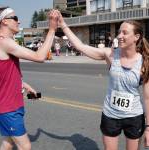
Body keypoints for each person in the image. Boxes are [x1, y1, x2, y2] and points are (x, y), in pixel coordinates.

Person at [55, 10, 149, 150]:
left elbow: (147, 97)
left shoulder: (145, 62)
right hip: (110, 115)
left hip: (134, 117)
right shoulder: (110, 54)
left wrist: (148, 127)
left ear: (136, 36)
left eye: (124, 32)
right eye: (119, 32)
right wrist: (63, 25)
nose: (119, 36)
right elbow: (81, 47)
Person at [0, 7, 58, 150]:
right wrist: (52, 29)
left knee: (7, 143)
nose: (19, 21)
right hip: (8, 109)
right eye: (15, 18)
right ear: (4, 21)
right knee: (25, 146)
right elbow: (40, 56)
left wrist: (23, 84)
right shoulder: (4, 42)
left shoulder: (5, 42)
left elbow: (5, 75)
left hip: (13, 105)